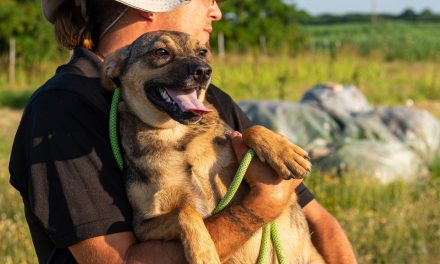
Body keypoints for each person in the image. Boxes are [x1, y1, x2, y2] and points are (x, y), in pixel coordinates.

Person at [9, 0, 357, 263]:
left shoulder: (198, 97)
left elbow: (318, 219)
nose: (216, 12)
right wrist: (258, 209)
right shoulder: (62, 111)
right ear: (148, 5)